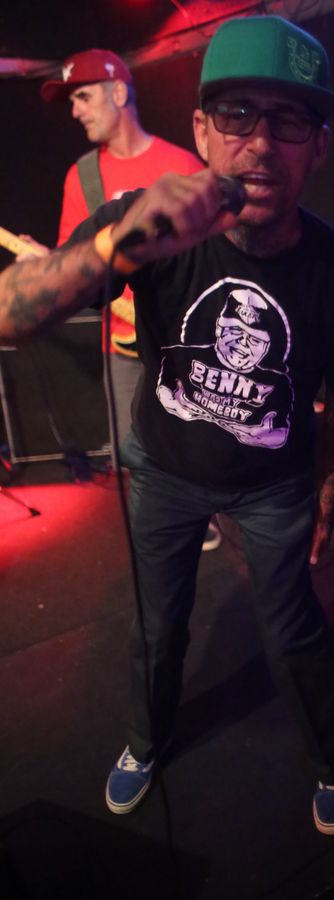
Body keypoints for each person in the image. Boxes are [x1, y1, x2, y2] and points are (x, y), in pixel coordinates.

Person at [0, 15, 334, 835]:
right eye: (238, 115)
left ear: (319, 147)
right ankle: (146, 742)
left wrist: (324, 492)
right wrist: (120, 248)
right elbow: (10, 313)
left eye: (289, 120)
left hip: (272, 487)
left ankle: (333, 757)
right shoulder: (146, 224)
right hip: (164, 470)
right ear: (202, 131)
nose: (260, 144)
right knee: (157, 626)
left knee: (294, 632)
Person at [31, 48, 221, 549]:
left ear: (119, 92)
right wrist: (45, 265)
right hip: (118, 346)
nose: (76, 111)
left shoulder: (181, 165)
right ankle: (155, 529)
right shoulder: (81, 177)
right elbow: (75, 263)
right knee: (133, 449)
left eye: (84, 97)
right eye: (73, 101)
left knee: (193, 437)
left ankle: (200, 517)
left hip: (178, 344)